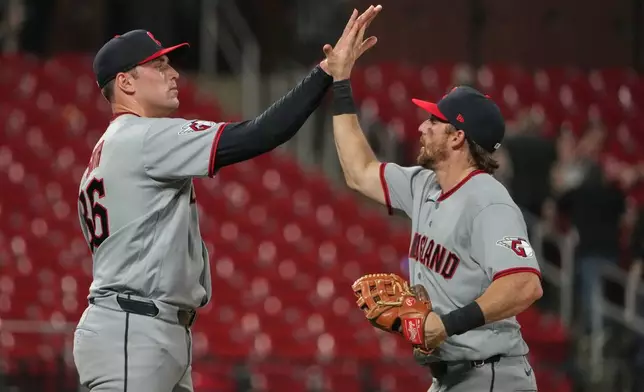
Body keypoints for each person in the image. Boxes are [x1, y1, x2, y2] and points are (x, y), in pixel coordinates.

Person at [72, 6, 380, 392]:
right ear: (126, 83)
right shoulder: (142, 137)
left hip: (144, 326)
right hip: (134, 329)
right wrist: (325, 73)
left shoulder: (109, 149)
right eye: (160, 65)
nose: (174, 74)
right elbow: (259, 134)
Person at [325, 38, 543, 390]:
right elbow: (359, 171)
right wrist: (340, 82)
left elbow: (525, 284)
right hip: (453, 376)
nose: (421, 127)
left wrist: (446, 325)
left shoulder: (489, 201)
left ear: (458, 137)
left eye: (433, 120)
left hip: (491, 375)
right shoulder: (424, 185)